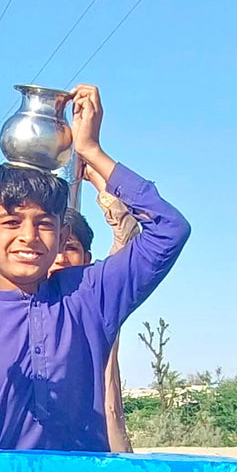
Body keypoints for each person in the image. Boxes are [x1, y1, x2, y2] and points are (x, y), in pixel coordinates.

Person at [0, 84, 190, 452]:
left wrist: (91, 151)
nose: (28, 236)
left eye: (43, 223)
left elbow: (170, 230)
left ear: (62, 233)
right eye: (11, 222)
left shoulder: (88, 297)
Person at [49, 194, 137, 453]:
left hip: (103, 445)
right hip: (36, 453)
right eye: (52, 247)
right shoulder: (17, 304)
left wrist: (103, 186)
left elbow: (128, 238)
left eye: (70, 248)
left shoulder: (100, 299)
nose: (60, 258)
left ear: (86, 258)